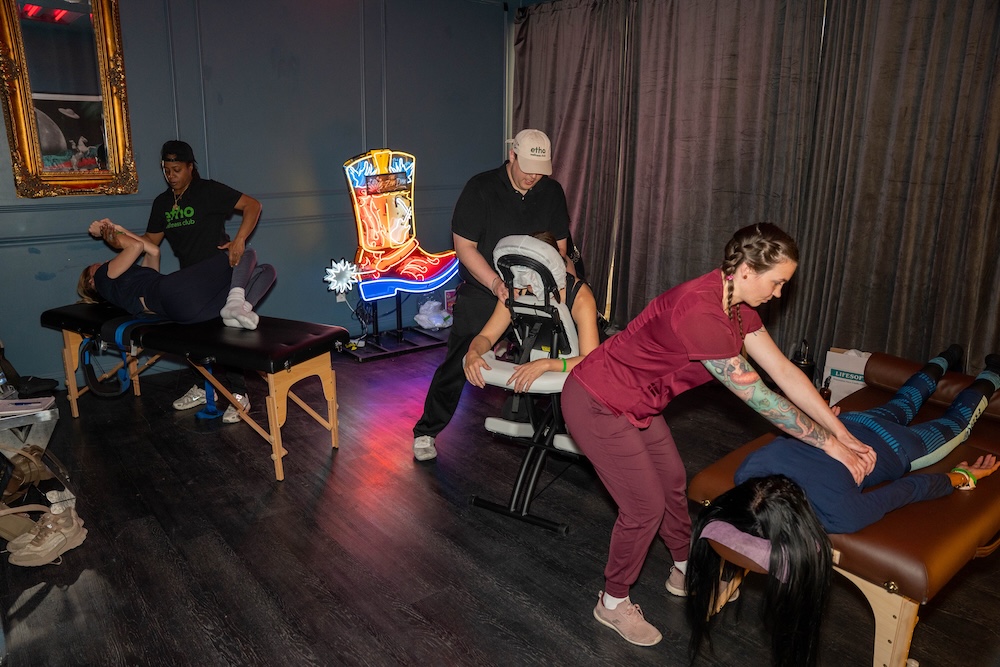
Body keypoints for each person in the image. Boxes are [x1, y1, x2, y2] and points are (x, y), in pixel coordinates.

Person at [560, 222, 876, 647]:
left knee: (672, 481)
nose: (779, 293)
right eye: (777, 282)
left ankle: (683, 567)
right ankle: (612, 601)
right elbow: (762, 398)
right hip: (596, 400)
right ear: (746, 270)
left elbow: (784, 372)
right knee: (643, 507)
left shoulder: (737, 306)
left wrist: (842, 433)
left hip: (639, 402)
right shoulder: (700, 311)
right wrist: (831, 447)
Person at [685, 351, 1000, 666]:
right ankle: (944, 358)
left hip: (899, 446)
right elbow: (790, 439)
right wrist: (823, 422)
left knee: (957, 424)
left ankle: (993, 371)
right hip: (848, 422)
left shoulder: (839, 514)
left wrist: (962, 477)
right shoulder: (748, 472)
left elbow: (906, 490)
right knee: (904, 401)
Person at [411, 129, 574, 462]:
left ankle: (561, 425)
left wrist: (566, 288)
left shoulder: (551, 192)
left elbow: (560, 250)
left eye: (540, 171)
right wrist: (496, 285)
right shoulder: (481, 188)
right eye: (527, 168)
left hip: (538, 292)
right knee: (461, 357)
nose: (533, 177)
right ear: (512, 156)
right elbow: (464, 247)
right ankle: (427, 429)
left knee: (565, 347)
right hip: (487, 288)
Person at [142, 140, 263, 422]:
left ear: (190, 167)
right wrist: (118, 237)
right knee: (193, 333)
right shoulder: (162, 203)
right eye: (166, 170)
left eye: (177, 169)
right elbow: (150, 241)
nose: (171, 175)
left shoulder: (207, 191)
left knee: (226, 333)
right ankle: (203, 387)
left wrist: (239, 240)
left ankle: (239, 394)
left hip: (219, 271)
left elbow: (253, 205)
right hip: (190, 277)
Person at [463, 232, 600, 393]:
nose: (528, 279)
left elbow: (590, 360)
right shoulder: (517, 291)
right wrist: (473, 353)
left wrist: (547, 364)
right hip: (535, 361)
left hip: (578, 372)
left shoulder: (581, 297)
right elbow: (486, 336)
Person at [79, 220, 275, 328]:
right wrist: (106, 230)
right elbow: (136, 246)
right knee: (243, 252)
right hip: (171, 292)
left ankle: (239, 309)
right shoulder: (102, 278)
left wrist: (120, 228)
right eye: (96, 265)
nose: (103, 263)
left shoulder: (127, 284)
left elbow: (153, 250)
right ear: (91, 281)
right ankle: (236, 302)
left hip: (185, 312)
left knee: (265, 271)